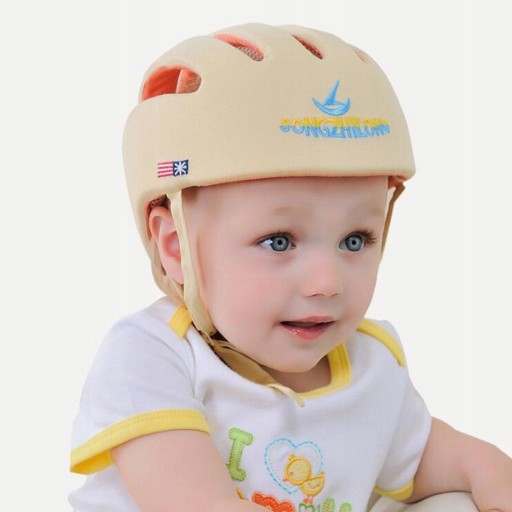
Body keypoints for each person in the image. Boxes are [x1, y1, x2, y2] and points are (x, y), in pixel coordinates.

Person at [69, 23, 512, 511]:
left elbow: (425, 457)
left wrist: (489, 470)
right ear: (176, 247)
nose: (328, 282)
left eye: (355, 240)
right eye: (278, 241)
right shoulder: (151, 357)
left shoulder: (372, 363)